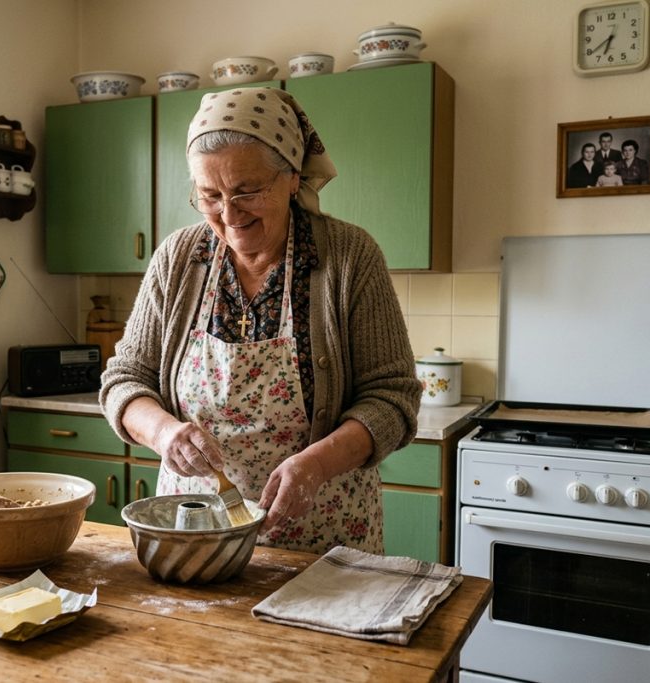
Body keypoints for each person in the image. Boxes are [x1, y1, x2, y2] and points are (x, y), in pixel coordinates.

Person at [100, 87, 421, 556]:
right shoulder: (177, 259)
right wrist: (164, 433)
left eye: (247, 191)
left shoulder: (350, 258)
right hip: (196, 534)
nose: (229, 215)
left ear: (292, 177)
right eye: (209, 195)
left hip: (323, 537)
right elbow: (124, 381)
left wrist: (316, 463)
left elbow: (394, 400)